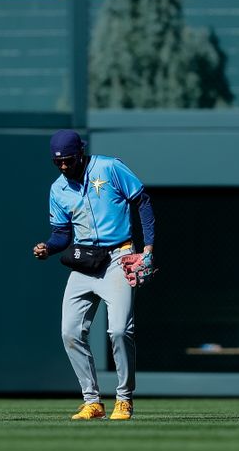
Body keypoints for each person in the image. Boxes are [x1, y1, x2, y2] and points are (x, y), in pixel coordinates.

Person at [33, 130, 155, 421]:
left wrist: (148, 248)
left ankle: (124, 399)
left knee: (120, 330)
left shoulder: (108, 167)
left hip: (119, 257)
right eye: (57, 161)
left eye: (69, 160)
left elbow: (143, 201)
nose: (63, 166)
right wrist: (48, 248)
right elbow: (62, 234)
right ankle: (93, 402)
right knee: (70, 332)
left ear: (81, 153)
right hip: (85, 262)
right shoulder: (58, 189)